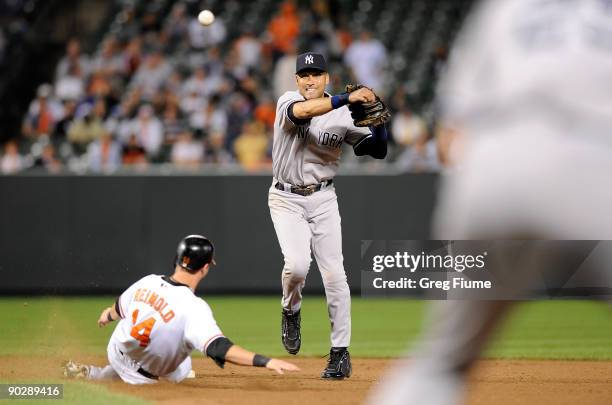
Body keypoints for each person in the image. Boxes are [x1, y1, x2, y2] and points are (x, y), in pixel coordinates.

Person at [367, 1, 612, 404]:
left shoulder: (506, 9)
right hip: (597, 154)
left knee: (441, 365)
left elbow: (450, 141)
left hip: (495, 164)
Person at [269, 52, 388, 379]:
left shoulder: (344, 115)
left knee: (335, 275)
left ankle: (340, 352)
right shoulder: (288, 101)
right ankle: (290, 308)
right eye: (304, 75)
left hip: (323, 198)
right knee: (296, 266)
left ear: (326, 78)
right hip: (286, 197)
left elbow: (376, 150)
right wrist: (347, 98)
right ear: (296, 80)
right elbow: (304, 112)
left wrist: (377, 125)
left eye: (316, 74)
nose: (310, 80)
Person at [64, 235, 299, 384]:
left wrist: (107, 315)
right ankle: (146, 376)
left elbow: (117, 308)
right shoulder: (194, 308)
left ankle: (93, 374)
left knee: (169, 353)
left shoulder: (148, 281)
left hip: (117, 350)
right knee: (183, 363)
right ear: (205, 268)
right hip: (146, 377)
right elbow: (218, 348)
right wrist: (264, 361)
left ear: (177, 260)